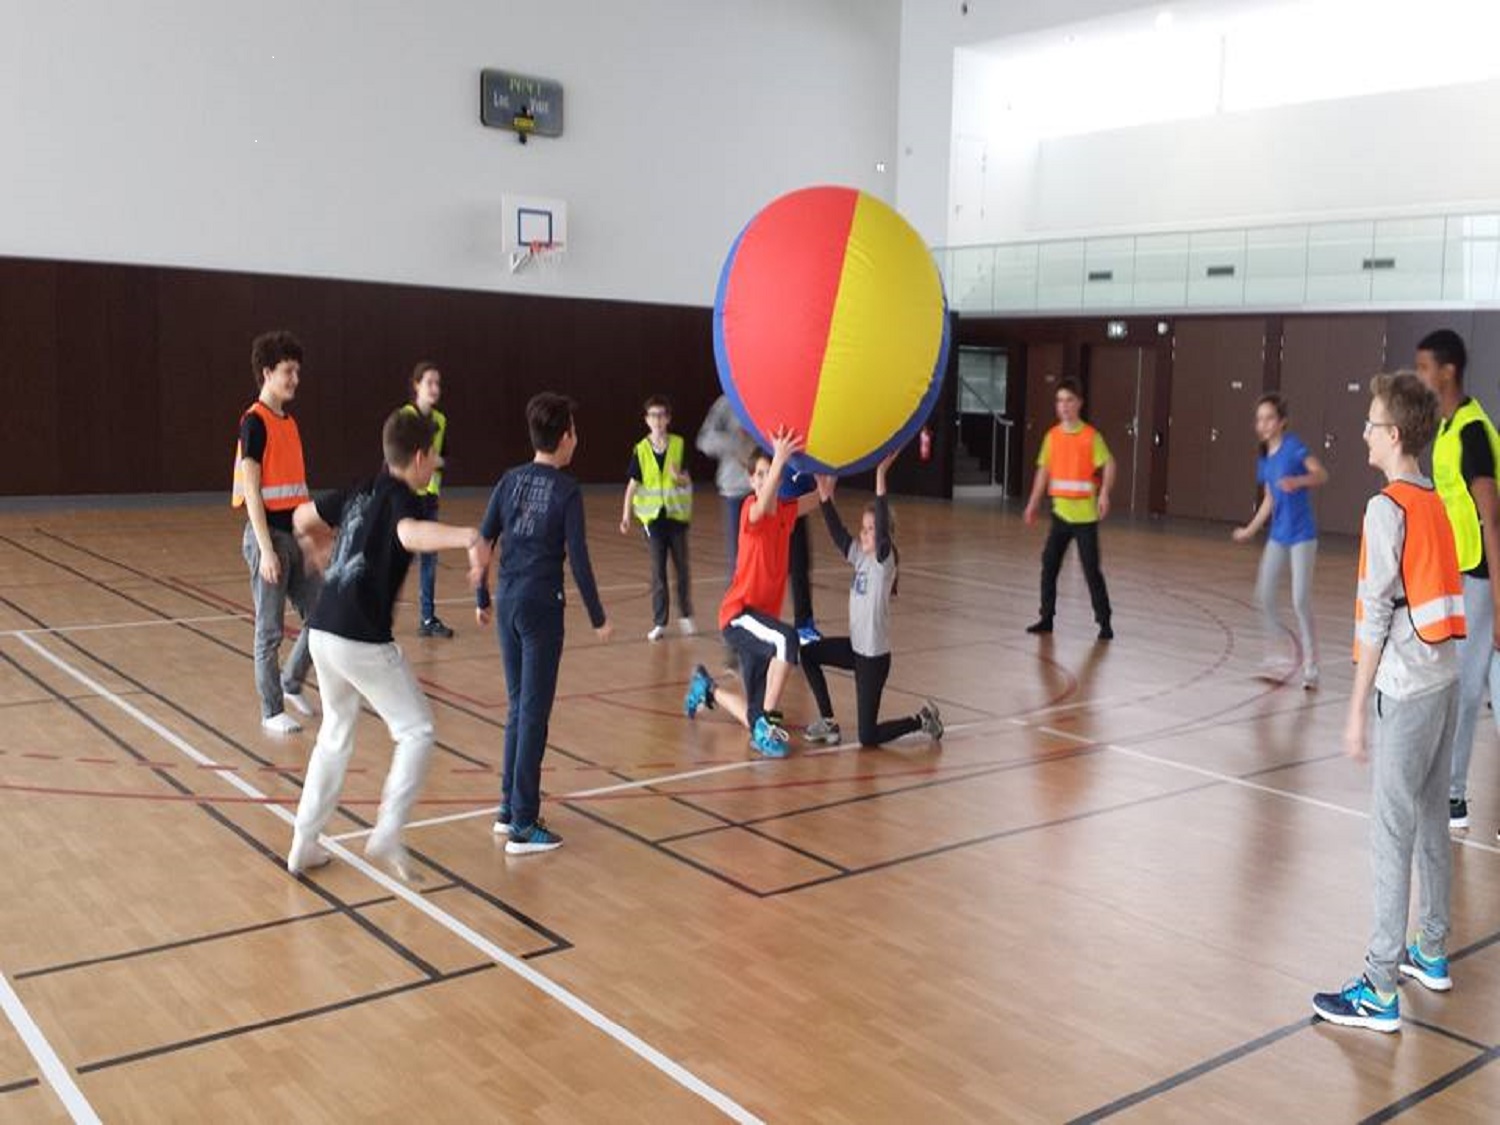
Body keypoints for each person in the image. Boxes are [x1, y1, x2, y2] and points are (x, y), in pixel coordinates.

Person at [1312, 371, 1464, 1033]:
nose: (1364, 433)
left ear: (1394, 435)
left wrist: (1353, 709)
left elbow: (1374, 616)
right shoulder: (1432, 500)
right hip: (1445, 681)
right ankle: (1430, 948)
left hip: (1405, 690)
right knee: (1431, 819)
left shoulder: (1386, 508)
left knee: (1391, 832)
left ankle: (1378, 984)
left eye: (1372, 423)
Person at [286, 408, 485, 879]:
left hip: (322, 631)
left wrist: (313, 544)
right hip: (358, 637)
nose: (436, 464)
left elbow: (299, 515)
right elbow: (408, 534)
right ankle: (388, 830)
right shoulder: (401, 499)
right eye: (433, 456)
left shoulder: (360, 488)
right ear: (418, 457)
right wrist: (468, 536)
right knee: (416, 730)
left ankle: (303, 843)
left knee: (335, 735)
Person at [475, 393, 612, 854]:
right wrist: (598, 616)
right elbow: (581, 560)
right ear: (566, 436)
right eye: (574, 429)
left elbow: (483, 539)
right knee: (533, 714)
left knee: (518, 708)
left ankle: (507, 808)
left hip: (509, 602)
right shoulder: (567, 490)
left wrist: (481, 595)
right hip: (541, 610)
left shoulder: (508, 480)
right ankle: (524, 824)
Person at [683, 430, 821, 757]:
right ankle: (763, 731)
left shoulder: (785, 512)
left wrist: (829, 467)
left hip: (761, 624)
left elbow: (819, 496)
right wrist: (780, 460)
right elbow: (764, 499)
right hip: (738, 616)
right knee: (788, 640)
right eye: (758, 475)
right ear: (751, 480)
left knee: (754, 711)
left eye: (767, 473)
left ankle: (708, 688)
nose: (763, 480)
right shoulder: (750, 511)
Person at [1415, 328, 1500, 832]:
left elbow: (1491, 518)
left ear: (1447, 371)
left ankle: (1453, 798)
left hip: (1485, 576)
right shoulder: (1448, 428)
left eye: (1424, 367)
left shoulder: (1470, 431)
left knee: (1466, 690)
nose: (1420, 376)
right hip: (1466, 574)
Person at [801, 449, 943, 748]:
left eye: (870, 530)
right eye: (863, 529)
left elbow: (880, 534)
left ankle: (922, 719)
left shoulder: (883, 561)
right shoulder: (861, 559)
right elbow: (839, 535)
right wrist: (825, 497)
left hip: (874, 661)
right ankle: (828, 722)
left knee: (868, 737)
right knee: (808, 653)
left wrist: (880, 476)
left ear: (882, 536)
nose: (863, 534)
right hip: (856, 650)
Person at [232, 329, 321, 735]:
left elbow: (297, 489)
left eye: (297, 371)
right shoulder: (255, 423)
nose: (295, 379)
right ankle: (271, 711)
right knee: (268, 630)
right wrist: (266, 550)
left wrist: (313, 535)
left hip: (294, 536)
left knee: (321, 614)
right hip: (267, 537)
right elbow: (252, 489)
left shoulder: (291, 423)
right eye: (288, 371)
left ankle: (290, 683)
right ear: (267, 372)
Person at [1231, 393, 1327, 689]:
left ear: (1281, 422)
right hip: (1278, 535)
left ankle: (1311, 665)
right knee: (1264, 595)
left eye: (1269, 418)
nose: (1263, 424)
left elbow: (1321, 474)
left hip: (1303, 535)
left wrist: (1298, 482)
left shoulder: (1294, 447)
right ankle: (1279, 656)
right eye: (1259, 418)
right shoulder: (1265, 459)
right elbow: (1270, 499)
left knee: (1300, 599)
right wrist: (1250, 530)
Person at [1023, 378, 1115, 640]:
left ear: (1079, 404)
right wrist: (1033, 501)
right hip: (1060, 515)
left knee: (1091, 570)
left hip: (1085, 517)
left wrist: (1105, 493)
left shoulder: (1090, 437)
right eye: (1059, 401)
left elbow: (1109, 464)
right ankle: (1046, 617)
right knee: (1049, 564)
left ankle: (1105, 622)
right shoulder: (1051, 437)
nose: (1063, 406)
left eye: (1068, 400)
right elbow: (1043, 471)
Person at [620, 394, 695, 641]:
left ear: (668, 419)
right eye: (653, 416)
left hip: (676, 516)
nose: (658, 420)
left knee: (681, 569)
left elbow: (686, 479)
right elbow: (632, 485)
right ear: (647, 420)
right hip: (653, 520)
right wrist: (626, 515)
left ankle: (685, 616)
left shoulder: (678, 445)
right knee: (658, 573)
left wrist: (678, 476)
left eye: (662, 415)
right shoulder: (640, 450)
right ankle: (660, 622)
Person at [402, 361, 455, 639]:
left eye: (438, 383)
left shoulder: (441, 420)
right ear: (416, 385)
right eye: (429, 382)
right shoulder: (406, 417)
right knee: (392, 556)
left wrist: (437, 464)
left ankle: (427, 617)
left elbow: (440, 457)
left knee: (429, 560)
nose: (435, 388)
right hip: (405, 498)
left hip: (429, 498)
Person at [696, 393, 754, 585]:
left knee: (764, 558)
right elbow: (704, 441)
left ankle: (762, 611)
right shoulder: (726, 403)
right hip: (736, 490)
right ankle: (738, 611)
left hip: (767, 491)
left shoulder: (768, 397)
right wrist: (736, 439)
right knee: (739, 558)